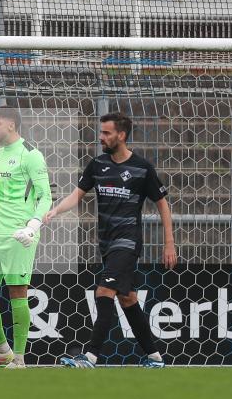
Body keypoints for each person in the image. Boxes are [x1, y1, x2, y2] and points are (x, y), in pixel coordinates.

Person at [44, 112, 176, 368]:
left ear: (121, 135)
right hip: (106, 242)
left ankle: (90, 356)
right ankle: (155, 357)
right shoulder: (97, 165)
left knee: (104, 291)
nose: (101, 137)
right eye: (101, 131)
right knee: (127, 299)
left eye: (106, 132)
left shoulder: (141, 168)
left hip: (127, 242)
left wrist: (169, 243)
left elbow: (162, 203)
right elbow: (77, 195)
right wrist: (55, 210)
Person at [0, 107, 52, 368]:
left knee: (17, 292)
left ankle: (19, 357)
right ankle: (2, 349)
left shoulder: (30, 154)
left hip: (21, 233)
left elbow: (45, 195)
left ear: (12, 125)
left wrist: (32, 225)